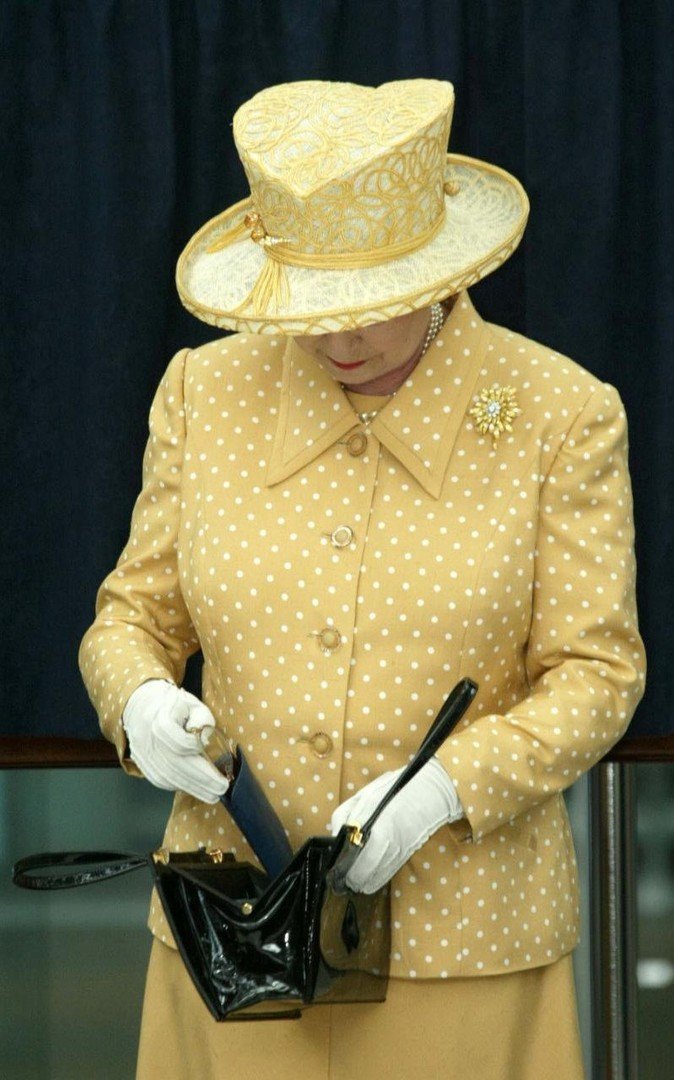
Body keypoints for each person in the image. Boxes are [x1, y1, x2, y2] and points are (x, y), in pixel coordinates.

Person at [78, 79, 646, 1079]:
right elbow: (132, 617)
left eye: (372, 305)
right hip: (235, 935)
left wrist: (445, 791)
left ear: (437, 266)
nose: (340, 340)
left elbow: (597, 674)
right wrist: (139, 703)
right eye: (311, 305)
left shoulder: (558, 412)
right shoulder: (204, 391)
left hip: (468, 949)